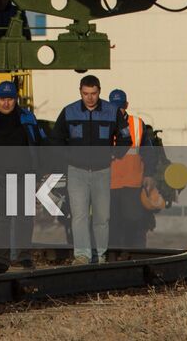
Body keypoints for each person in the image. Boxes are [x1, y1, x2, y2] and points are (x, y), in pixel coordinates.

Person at [51, 75, 128, 265]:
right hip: (76, 171)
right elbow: (55, 139)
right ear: (80, 92)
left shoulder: (112, 111)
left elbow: (126, 138)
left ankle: (100, 255)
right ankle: (82, 255)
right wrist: (68, 158)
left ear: (99, 91)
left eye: (93, 93)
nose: (90, 98)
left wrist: (115, 154)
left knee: (102, 217)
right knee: (79, 215)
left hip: (102, 171)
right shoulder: (69, 111)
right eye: (86, 93)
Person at [0, 79, 46, 271]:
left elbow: (39, 144)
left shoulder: (28, 118)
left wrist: (40, 171)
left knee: (23, 218)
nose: (6, 103)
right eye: (3, 98)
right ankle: (1, 258)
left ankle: (23, 256)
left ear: (16, 99)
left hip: (23, 176)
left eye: (10, 99)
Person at [108, 88, 157, 252]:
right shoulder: (102, 124)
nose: (118, 110)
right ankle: (114, 259)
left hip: (132, 182)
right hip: (109, 184)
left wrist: (149, 174)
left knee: (134, 223)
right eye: (115, 107)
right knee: (112, 225)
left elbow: (148, 152)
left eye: (120, 106)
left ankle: (136, 256)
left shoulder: (137, 124)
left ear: (126, 105)